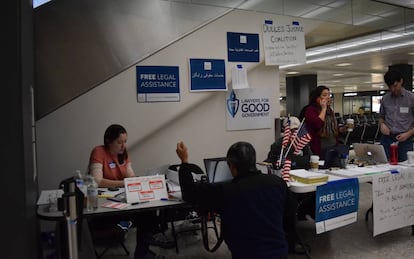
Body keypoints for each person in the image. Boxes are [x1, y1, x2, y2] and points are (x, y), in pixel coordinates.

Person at [176, 141, 295, 259]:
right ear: (253, 161)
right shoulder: (277, 183)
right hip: (279, 252)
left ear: (231, 166)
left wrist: (184, 161)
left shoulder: (226, 191)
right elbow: (289, 214)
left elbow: (189, 193)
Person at [88, 124, 173, 259]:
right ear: (108, 141)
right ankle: (145, 247)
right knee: (145, 218)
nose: (123, 145)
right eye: (119, 142)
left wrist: (139, 181)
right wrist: (125, 182)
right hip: (101, 205)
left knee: (147, 211)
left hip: (120, 200)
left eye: (125, 141)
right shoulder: (98, 152)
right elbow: (97, 181)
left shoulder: (124, 153)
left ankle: (144, 248)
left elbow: (130, 175)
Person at [301, 85, 346, 158]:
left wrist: (342, 129)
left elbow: (332, 128)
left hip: (333, 146)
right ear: (317, 98)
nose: (328, 97)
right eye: (324, 95)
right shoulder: (310, 110)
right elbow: (317, 124)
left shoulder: (330, 110)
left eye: (329, 95)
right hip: (319, 148)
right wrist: (323, 109)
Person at [379, 70, 414, 162]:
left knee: (405, 168)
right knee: (384, 166)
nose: (393, 90)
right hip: (387, 139)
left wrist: (407, 134)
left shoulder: (411, 98)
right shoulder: (385, 98)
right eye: (390, 87)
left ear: (401, 81)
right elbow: (381, 117)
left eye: (395, 86)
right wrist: (382, 125)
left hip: (405, 140)